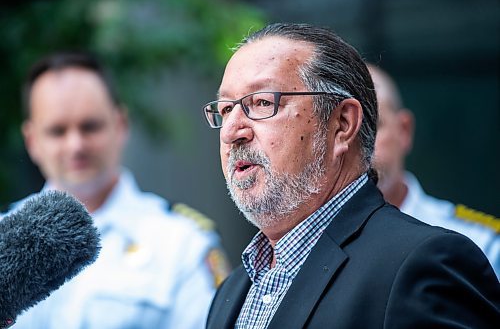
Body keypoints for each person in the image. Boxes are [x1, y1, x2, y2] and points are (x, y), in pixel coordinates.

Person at [202, 23, 499, 328]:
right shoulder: (234, 288)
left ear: (342, 124)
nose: (231, 131)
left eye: (262, 103)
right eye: (225, 110)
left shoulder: (423, 265)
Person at [7, 51, 230, 329]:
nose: (76, 145)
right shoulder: (5, 237)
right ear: (31, 141)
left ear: (121, 125)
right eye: (57, 131)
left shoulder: (182, 242)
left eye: (90, 127)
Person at [369, 63, 500, 278]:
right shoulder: (305, 243)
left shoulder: (479, 243)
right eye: (342, 126)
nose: (358, 143)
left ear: (404, 130)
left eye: (371, 125)